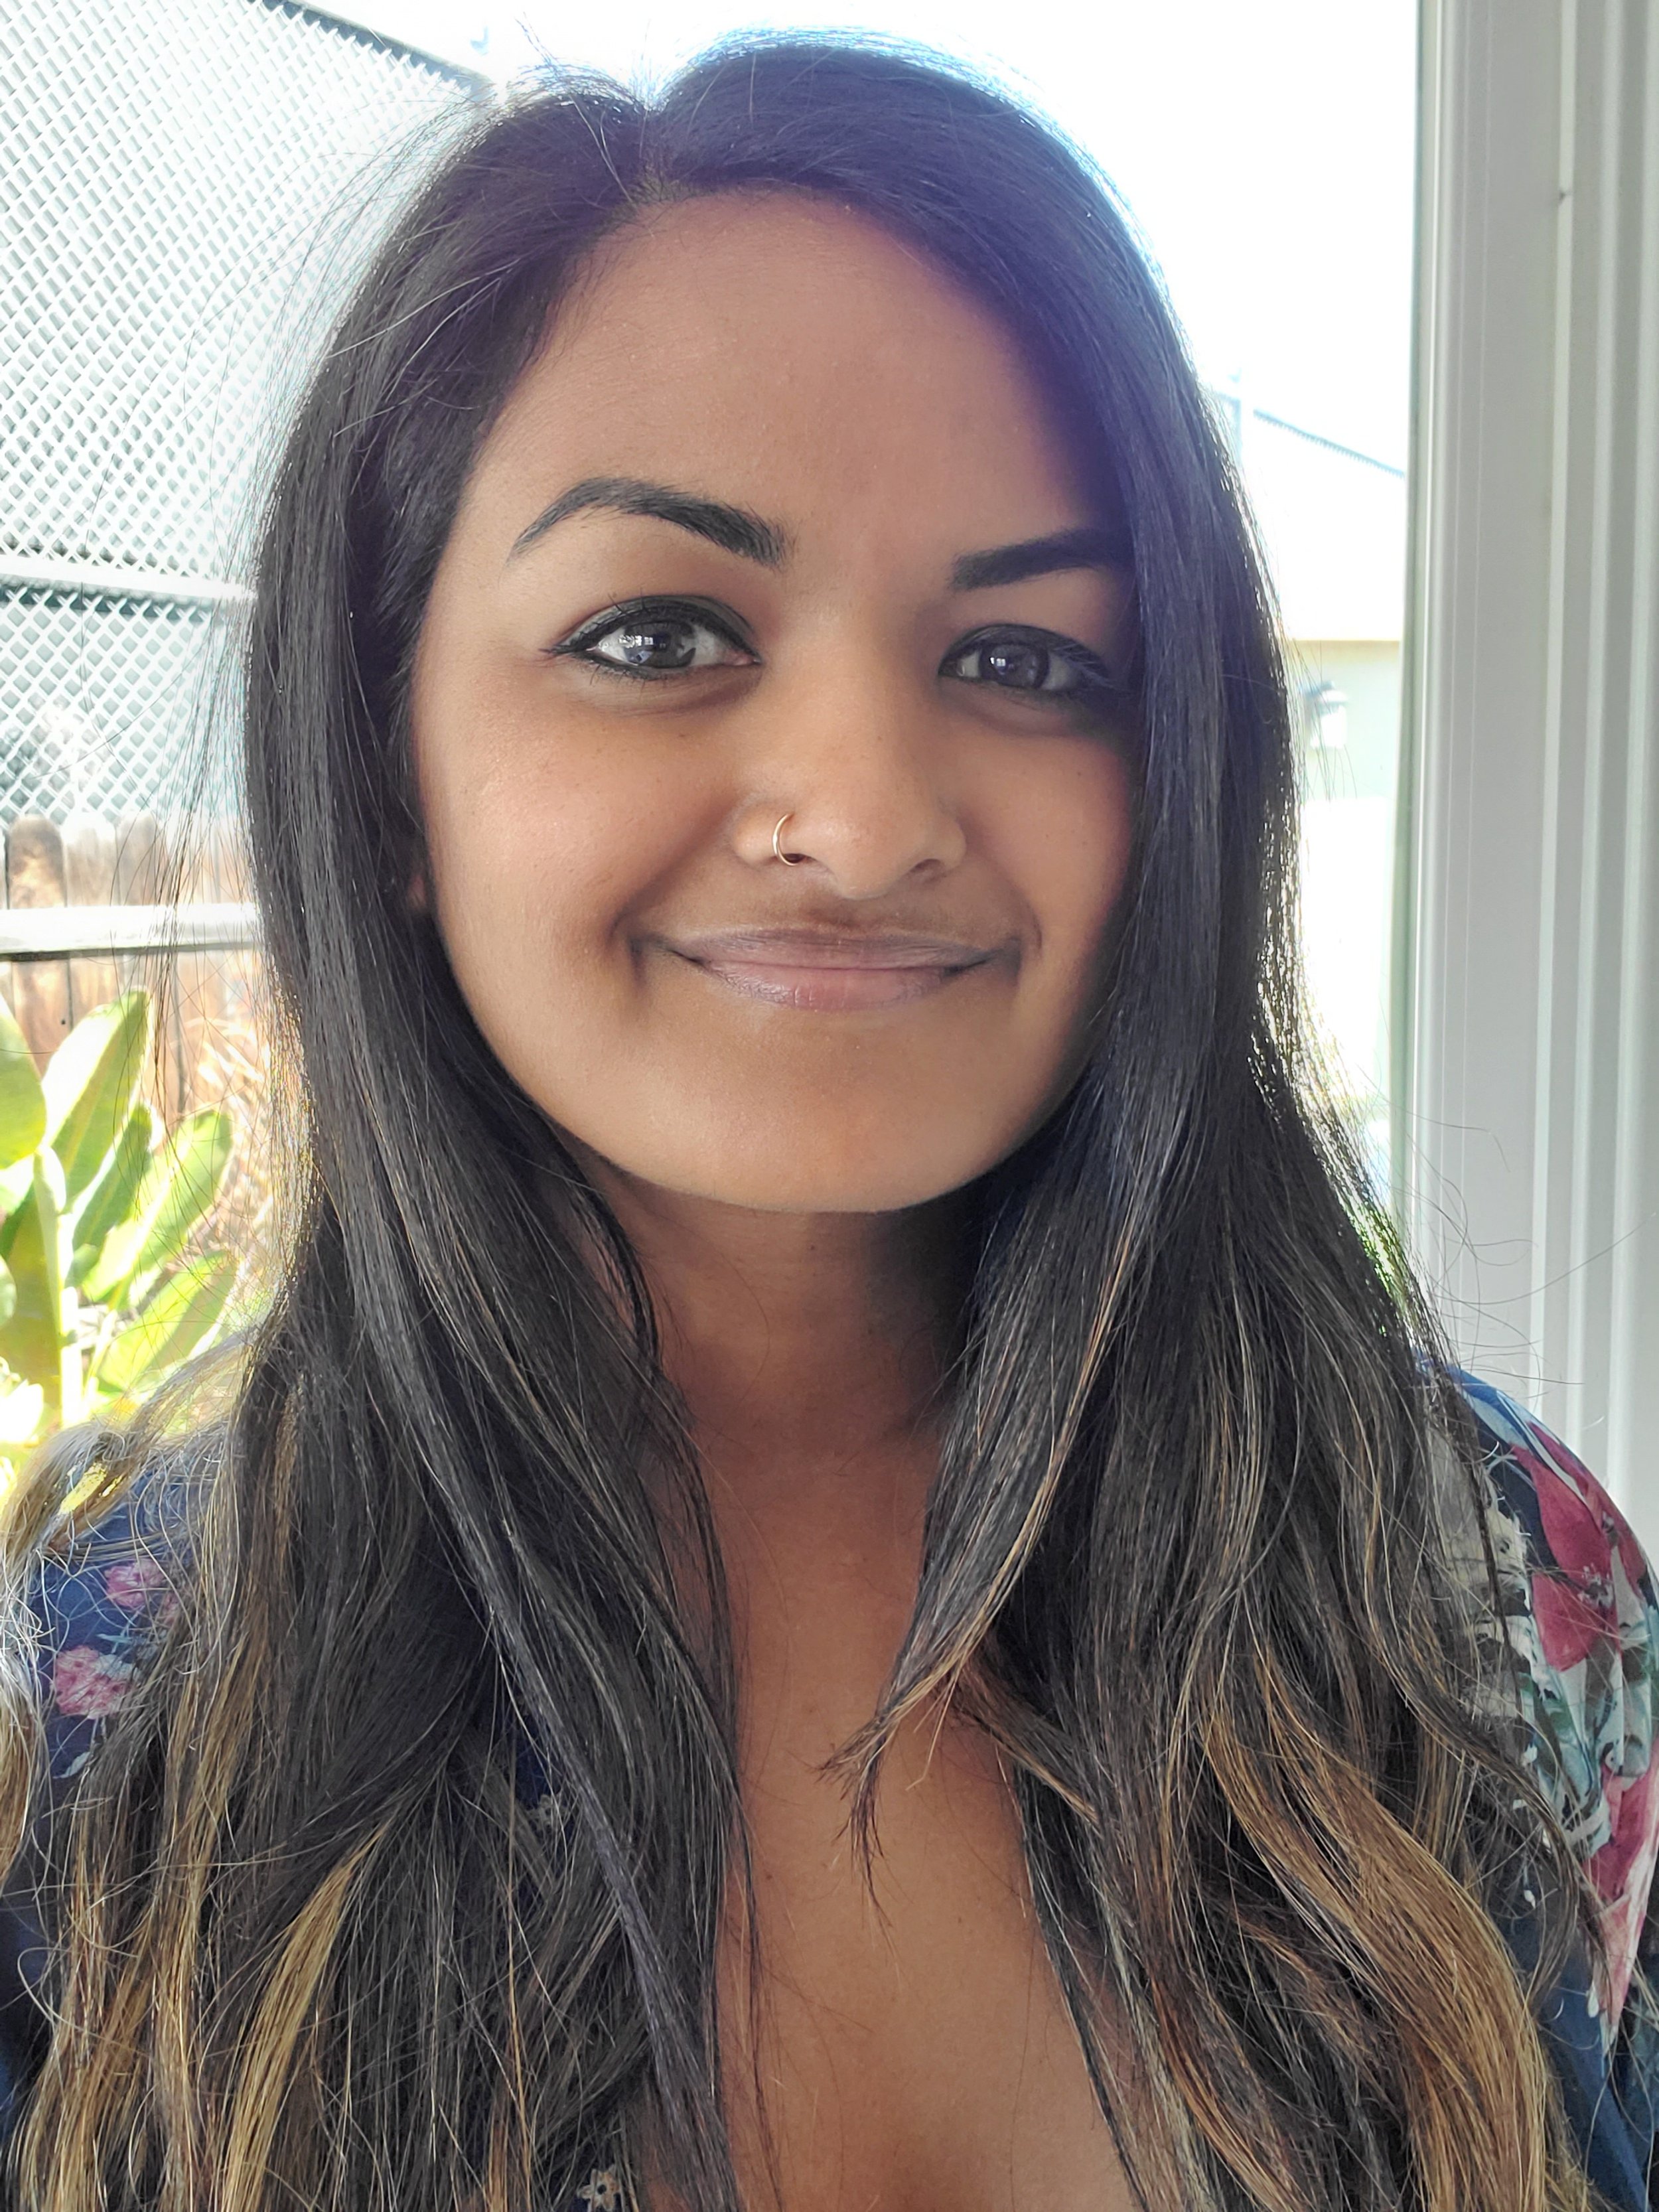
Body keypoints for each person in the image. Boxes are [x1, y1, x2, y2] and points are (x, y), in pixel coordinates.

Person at [0, 37, 1654, 2212]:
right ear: (386, 765)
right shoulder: (98, 1729)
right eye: (658, 633)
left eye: (1031, 659)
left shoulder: (1487, 1588)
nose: (864, 821)